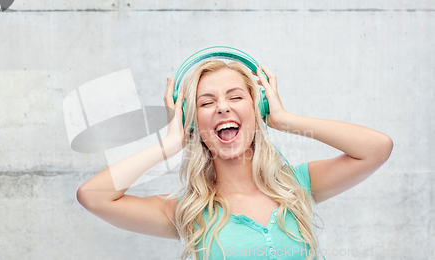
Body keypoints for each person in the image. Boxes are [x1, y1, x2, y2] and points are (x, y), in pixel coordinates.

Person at [76, 60, 393, 260]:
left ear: (258, 110)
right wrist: (170, 142)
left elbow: (377, 148)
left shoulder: (297, 186)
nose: (223, 107)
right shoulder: (190, 211)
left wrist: (283, 119)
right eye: (206, 102)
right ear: (193, 122)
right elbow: (93, 196)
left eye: (236, 96)